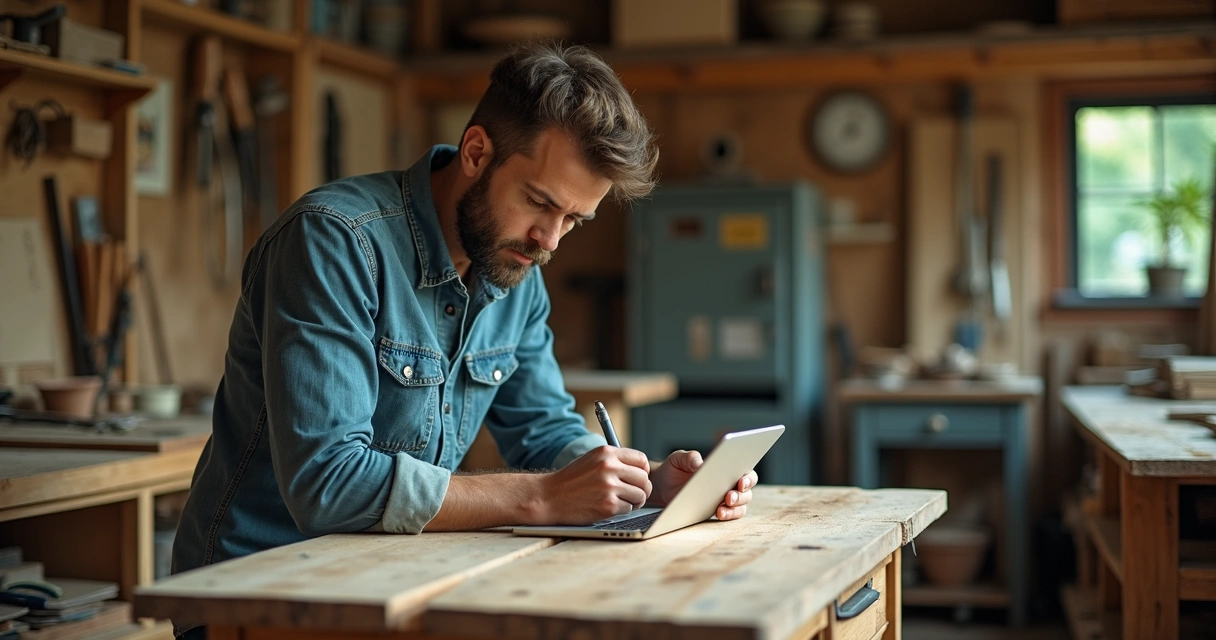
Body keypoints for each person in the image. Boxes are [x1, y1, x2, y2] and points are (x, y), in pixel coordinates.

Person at [171, 42, 758, 639]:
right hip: (254, 599)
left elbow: (544, 428)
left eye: (573, 221)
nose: (549, 241)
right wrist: (543, 498)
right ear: (477, 151)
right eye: (540, 202)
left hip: (388, 579)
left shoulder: (515, 264)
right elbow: (328, 483)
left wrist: (640, 486)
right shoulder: (334, 242)